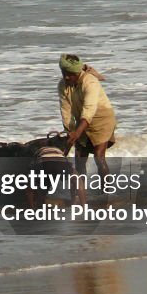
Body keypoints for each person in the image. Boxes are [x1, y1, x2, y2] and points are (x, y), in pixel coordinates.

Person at [58, 53, 116, 204]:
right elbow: (66, 111)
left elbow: (89, 111)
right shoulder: (63, 86)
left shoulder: (90, 82)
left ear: (77, 73)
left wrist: (77, 133)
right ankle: (78, 196)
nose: (66, 78)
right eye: (64, 74)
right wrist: (70, 132)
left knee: (99, 156)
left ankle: (107, 195)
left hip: (101, 119)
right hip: (82, 121)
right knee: (79, 158)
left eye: (69, 75)